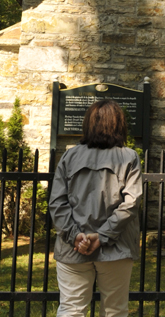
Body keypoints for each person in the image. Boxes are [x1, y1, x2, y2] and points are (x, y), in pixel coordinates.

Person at [49, 99, 142, 317]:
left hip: (73, 248)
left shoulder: (69, 156)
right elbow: (131, 204)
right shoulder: (129, 157)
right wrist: (101, 237)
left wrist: (76, 237)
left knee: (71, 309)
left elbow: (56, 202)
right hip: (116, 248)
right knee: (114, 311)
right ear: (119, 125)